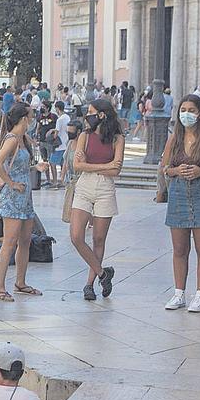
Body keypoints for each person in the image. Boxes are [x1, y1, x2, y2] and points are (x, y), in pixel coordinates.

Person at [159, 95, 200, 314]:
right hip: (178, 193)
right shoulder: (174, 139)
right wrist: (175, 171)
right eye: (183, 109)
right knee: (179, 248)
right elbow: (165, 168)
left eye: (191, 109)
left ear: (199, 113)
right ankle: (179, 293)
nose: (186, 113)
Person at [69, 98, 125, 301]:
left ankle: (89, 283)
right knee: (76, 236)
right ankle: (103, 273)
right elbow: (77, 165)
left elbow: (117, 169)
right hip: (85, 186)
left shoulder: (117, 139)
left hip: (105, 189)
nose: (87, 116)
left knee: (98, 239)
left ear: (102, 115)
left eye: (91, 112)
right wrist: (105, 166)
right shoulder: (85, 135)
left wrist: (91, 165)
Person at [0, 103, 40, 302]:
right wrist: (10, 183)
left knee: (25, 240)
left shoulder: (23, 139)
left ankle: (20, 281)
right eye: (31, 116)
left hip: (25, 198)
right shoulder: (11, 139)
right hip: (13, 197)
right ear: (23, 119)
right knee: (9, 243)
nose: (33, 119)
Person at [35, 101, 58, 188]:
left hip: (50, 142)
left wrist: (52, 132)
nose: (42, 108)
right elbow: (38, 127)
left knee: (52, 161)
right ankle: (48, 180)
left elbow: (57, 127)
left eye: (43, 107)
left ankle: (55, 181)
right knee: (45, 161)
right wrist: (36, 137)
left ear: (48, 108)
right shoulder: (39, 117)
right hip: (42, 141)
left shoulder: (53, 117)